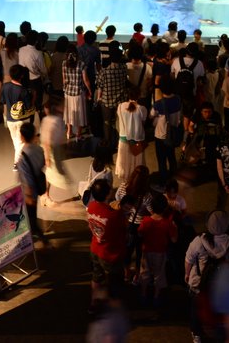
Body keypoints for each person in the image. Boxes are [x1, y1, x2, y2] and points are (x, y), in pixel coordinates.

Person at [185, 210, 229, 343]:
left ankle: (197, 334)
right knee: (216, 310)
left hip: (198, 283)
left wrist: (187, 274)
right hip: (220, 286)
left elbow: (189, 260)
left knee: (196, 309)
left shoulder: (199, 241)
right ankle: (218, 331)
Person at [87, 179, 127, 307]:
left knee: (96, 276)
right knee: (114, 282)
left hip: (95, 248)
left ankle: (93, 302)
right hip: (110, 253)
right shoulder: (113, 215)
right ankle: (112, 308)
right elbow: (123, 228)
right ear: (107, 194)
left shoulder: (91, 206)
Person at [138, 193, 178, 312]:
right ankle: (156, 297)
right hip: (160, 252)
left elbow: (139, 233)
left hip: (146, 251)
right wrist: (175, 228)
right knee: (158, 275)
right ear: (165, 208)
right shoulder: (167, 223)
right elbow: (174, 240)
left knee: (145, 273)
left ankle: (143, 295)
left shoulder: (145, 221)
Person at [115, 165, 154, 283]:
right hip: (139, 225)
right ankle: (137, 275)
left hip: (126, 223)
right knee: (139, 251)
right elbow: (152, 212)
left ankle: (126, 273)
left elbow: (117, 198)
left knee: (127, 249)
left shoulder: (123, 186)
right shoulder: (146, 195)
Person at [17, 122, 47, 243]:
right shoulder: (39, 149)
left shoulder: (23, 155)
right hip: (38, 182)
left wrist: (29, 195)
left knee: (30, 215)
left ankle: (40, 237)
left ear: (22, 136)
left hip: (28, 191)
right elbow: (43, 164)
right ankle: (35, 231)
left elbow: (26, 177)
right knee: (32, 213)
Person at [1, 64, 35, 165]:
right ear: (21, 76)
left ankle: (20, 161)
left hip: (10, 119)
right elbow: (29, 107)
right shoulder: (23, 91)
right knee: (21, 143)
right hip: (22, 120)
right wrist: (33, 97)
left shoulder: (5, 86)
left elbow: (3, 102)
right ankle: (17, 163)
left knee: (16, 142)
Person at [152, 76, 182, 184]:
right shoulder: (178, 99)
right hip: (173, 133)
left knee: (161, 159)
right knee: (171, 156)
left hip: (161, 135)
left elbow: (152, 115)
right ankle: (174, 178)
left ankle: (163, 180)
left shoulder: (159, 104)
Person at [96, 47, 128, 150]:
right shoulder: (124, 68)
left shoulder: (105, 71)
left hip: (107, 101)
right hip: (121, 101)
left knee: (107, 123)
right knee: (120, 123)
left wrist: (98, 98)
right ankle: (120, 144)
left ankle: (107, 143)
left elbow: (99, 85)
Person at [115, 87, 148, 181]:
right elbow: (143, 123)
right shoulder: (142, 109)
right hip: (137, 140)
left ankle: (126, 181)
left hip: (124, 140)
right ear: (139, 95)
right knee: (137, 166)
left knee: (124, 163)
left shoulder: (120, 106)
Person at [62, 44, 91, 140]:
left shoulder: (64, 64)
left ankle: (69, 132)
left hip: (68, 93)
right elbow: (86, 80)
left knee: (69, 112)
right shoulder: (81, 64)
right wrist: (90, 91)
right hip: (79, 93)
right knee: (80, 114)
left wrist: (65, 89)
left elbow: (64, 80)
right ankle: (78, 134)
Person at [19, 29, 48, 119]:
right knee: (37, 102)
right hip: (35, 80)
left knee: (26, 100)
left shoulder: (21, 49)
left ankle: (28, 117)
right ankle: (36, 120)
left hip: (23, 79)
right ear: (36, 41)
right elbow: (43, 69)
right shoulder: (38, 53)